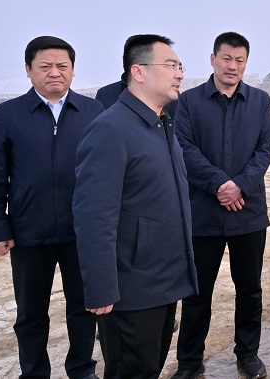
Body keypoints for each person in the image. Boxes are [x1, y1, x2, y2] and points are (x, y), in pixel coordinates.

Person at [72, 34, 198, 379]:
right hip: (131, 290)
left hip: (163, 282)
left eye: (180, 66)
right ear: (138, 72)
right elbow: (94, 217)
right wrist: (100, 288)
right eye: (171, 65)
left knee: (149, 369)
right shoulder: (110, 129)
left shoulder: (161, 123)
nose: (179, 74)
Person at [0, 36, 103, 379]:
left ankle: (81, 369)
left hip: (81, 232)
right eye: (45, 66)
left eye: (62, 66)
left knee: (84, 308)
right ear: (28, 70)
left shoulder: (93, 111)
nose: (55, 72)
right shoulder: (8, 115)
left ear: (73, 70)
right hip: (29, 231)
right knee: (31, 314)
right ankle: (34, 372)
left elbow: (107, 172)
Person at [170, 32, 270, 379]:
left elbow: (265, 149)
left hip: (248, 211)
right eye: (227, 58)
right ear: (213, 59)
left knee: (249, 290)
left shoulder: (260, 101)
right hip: (204, 213)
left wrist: (239, 185)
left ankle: (247, 353)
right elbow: (184, 148)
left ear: (246, 63)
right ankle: (190, 361)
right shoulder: (189, 102)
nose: (233, 66)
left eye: (239, 60)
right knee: (197, 293)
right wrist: (219, 184)